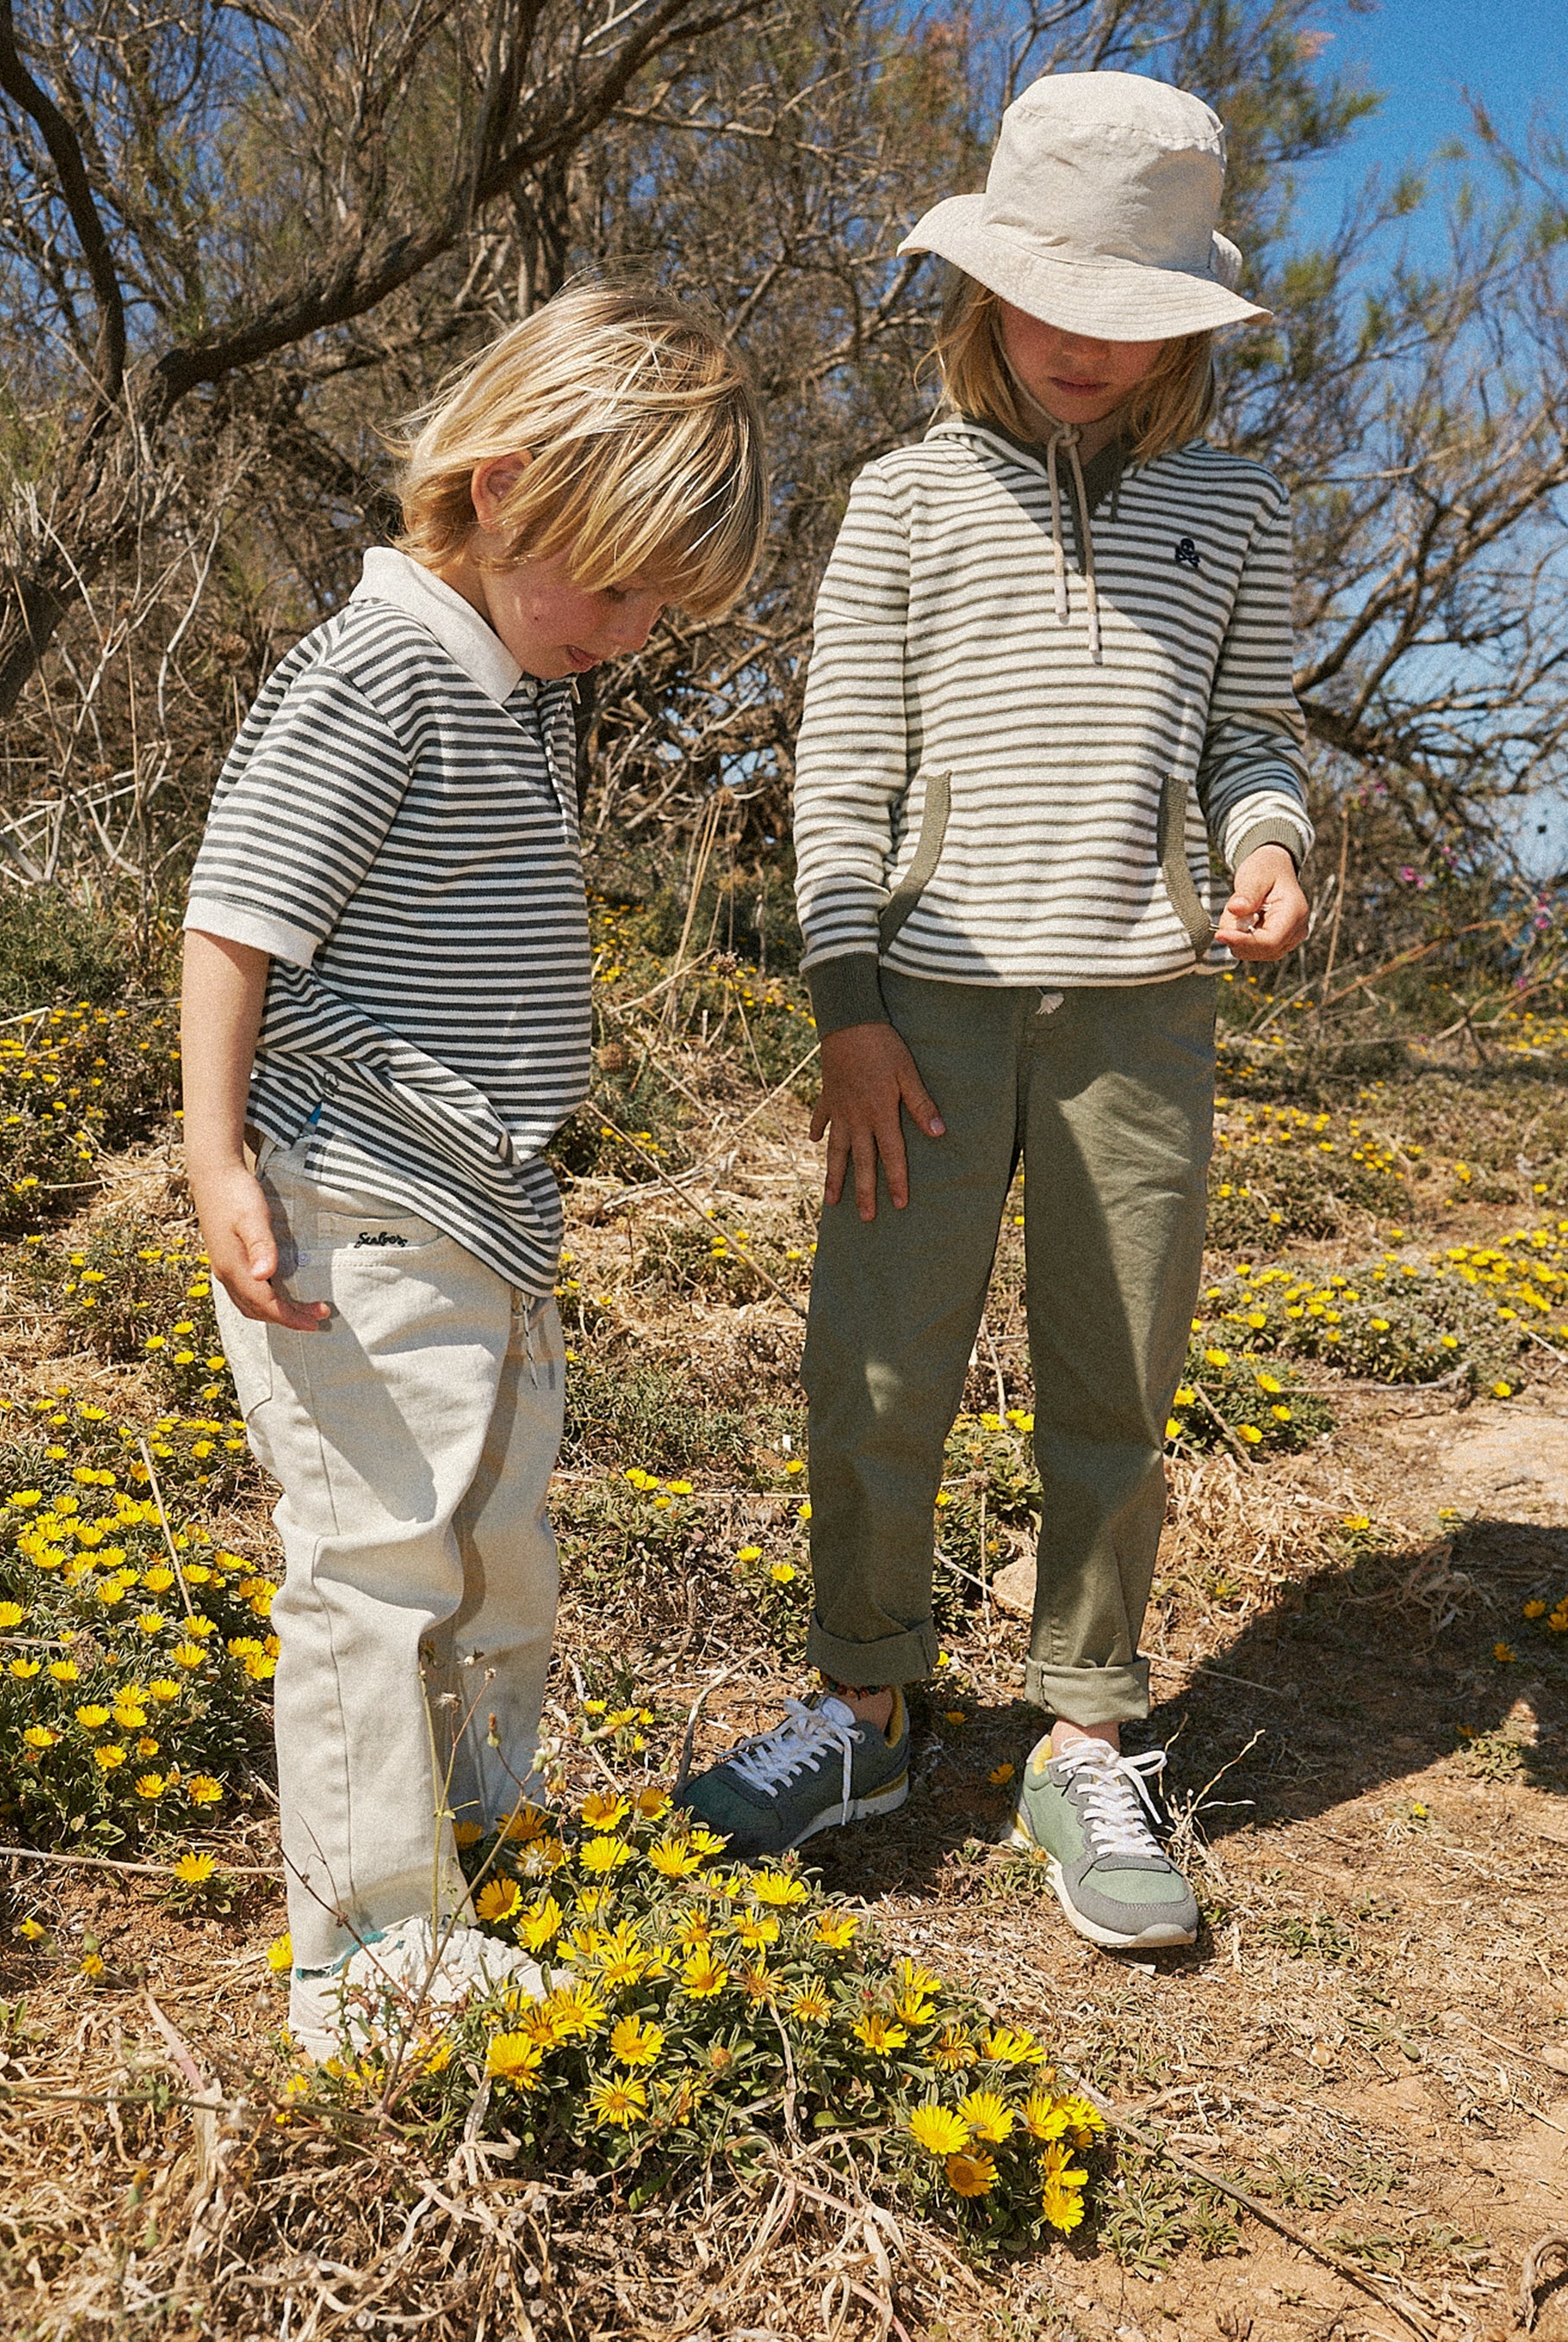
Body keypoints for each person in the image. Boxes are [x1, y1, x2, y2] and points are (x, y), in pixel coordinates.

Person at [683, 73, 1310, 1953]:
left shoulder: (1235, 506)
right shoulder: (898, 499)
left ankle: (1080, 1732)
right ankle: (863, 1706)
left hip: (1140, 1012)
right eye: (1048, 299)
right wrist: (844, 1007)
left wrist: (1268, 840)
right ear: (977, 291)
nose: (1079, 345)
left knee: (1113, 1383)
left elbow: (1246, 736)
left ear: (1180, 325)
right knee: (873, 1369)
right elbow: (846, 772)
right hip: (922, 1017)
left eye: (1125, 314)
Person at [181, 286, 766, 2054]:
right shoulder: (376, 671)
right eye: (617, 582)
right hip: (350, 1193)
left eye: (666, 601)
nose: (634, 628)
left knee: (493, 1552)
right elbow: (235, 920)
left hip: (483, 1205)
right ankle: (363, 1950)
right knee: (372, 1561)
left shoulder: (516, 679)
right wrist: (218, 1156)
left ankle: (477, 1855)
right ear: (500, 488)